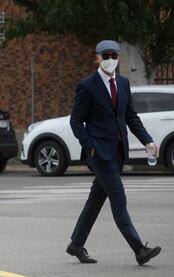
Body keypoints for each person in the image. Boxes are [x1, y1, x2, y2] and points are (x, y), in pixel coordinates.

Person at [66, 40, 162, 265]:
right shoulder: (87, 86)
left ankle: (76, 244)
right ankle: (139, 250)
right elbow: (76, 121)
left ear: (119, 58)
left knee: (95, 200)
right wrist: (90, 146)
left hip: (118, 151)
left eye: (114, 55)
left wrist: (147, 140)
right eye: (105, 55)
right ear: (97, 58)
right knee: (119, 197)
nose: (110, 59)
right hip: (99, 154)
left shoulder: (123, 82)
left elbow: (130, 117)